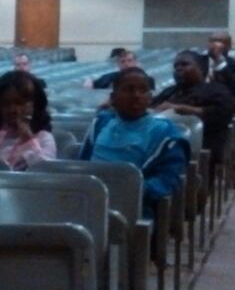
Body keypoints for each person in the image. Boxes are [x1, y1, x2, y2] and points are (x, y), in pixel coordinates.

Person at [79, 68, 189, 209]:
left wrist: (131, 189)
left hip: (133, 205)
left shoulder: (165, 133)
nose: (136, 96)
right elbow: (83, 164)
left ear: (150, 98)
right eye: (129, 90)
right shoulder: (101, 123)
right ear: (113, 98)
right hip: (90, 198)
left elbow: (168, 179)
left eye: (143, 90)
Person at [151, 51, 235, 171]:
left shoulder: (217, 90)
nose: (179, 68)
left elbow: (223, 114)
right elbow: (151, 109)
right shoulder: (170, 91)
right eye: (176, 66)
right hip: (165, 143)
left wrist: (185, 110)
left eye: (184, 64)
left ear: (201, 68)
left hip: (204, 144)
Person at [201, 31, 235, 187]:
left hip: (226, 109)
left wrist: (221, 63)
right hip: (199, 106)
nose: (216, 44)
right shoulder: (197, 61)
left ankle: (234, 168)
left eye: (221, 41)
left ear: (229, 45)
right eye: (213, 41)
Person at [89, 48, 154, 91]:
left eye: (129, 61)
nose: (126, 64)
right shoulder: (109, 78)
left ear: (135, 62)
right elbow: (91, 85)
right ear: (118, 64)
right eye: (123, 61)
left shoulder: (147, 80)